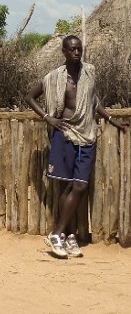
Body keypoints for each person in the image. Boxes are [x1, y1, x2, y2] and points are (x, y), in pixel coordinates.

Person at [26, 35, 128, 258]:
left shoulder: (89, 73)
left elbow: (94, 102)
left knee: (80, 186)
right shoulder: (54, 78)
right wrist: (48, 117)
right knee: (65, 188)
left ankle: (56, 233)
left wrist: (112, 120)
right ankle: (68, 235)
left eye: (79, 49)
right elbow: (30, 96)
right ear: (63, 51)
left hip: (86, 133)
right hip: (63, 134)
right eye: (72, 49)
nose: (77, 53)